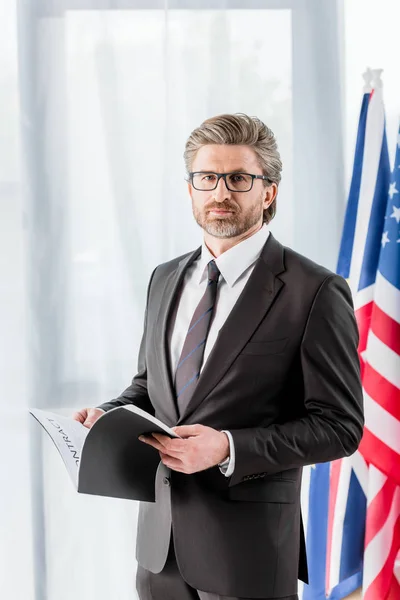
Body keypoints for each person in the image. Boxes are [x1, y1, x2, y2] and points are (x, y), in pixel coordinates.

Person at [73, 113, 364, 600]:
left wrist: (228, 446)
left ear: (268, 192)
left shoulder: (315, 292)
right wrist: (109, 413)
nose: (220, 193)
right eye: (207, 178)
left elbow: (340, 427)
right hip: (158, 551)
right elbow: (149, 388)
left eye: (238, 179)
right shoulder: (164, 279)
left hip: (249, 555)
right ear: (190, 188)